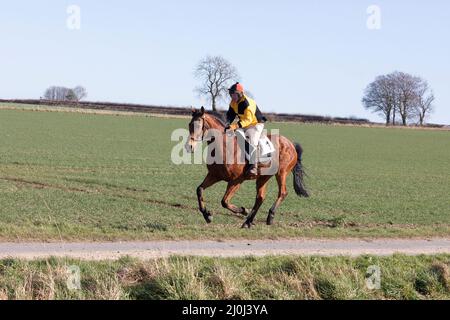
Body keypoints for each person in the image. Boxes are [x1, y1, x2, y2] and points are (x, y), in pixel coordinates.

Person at [225, 82, 267, 177]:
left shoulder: (248, 103)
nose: (232, 96)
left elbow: (248, 120)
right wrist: (228, 124)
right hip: (244, 124)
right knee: (232, 136)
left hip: (255, 124)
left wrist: (235, 126)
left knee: (252, 140)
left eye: (234, 94)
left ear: (240, 93)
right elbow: (230, 115)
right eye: (231, 94)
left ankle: (254, 166)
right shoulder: (233, 102)